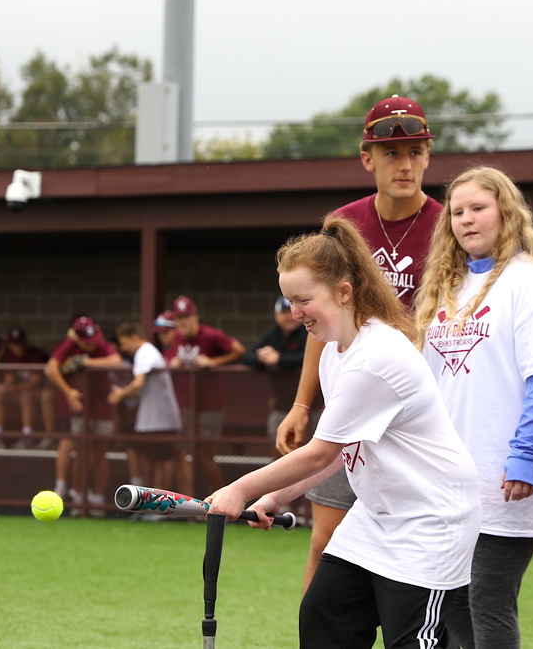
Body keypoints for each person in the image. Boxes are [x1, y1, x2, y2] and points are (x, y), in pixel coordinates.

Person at [207, 216, 480, 649]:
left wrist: (238, 489)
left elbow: (319, 452)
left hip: (431, 518)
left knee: (411, 641)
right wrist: (277, 496)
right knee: (324, 619)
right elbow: (342, 448)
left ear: (344, 291)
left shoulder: (375, 357)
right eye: (288, 302)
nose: (294, 314)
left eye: (302, 300)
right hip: (378, 514)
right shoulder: (337, 352)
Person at [275, 94, 444, 595]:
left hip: (420, 407)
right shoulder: (343, 225)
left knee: (420, 538)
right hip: (351, 399)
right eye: (392, 153)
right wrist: (302, 403)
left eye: (415, 152)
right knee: (326, 536)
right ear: (367, 158)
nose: (405, 164)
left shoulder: (448, 224)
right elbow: (320, 320)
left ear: (429, 155)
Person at [414, 166, 533, 649]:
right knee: (451, 600)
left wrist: (524, 455)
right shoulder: (444, 288)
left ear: (506, 213)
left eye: (478, 208)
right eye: (457, 212)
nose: (466, 219)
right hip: (449, 477)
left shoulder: (531, 284)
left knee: (487, 597)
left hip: (506, 477)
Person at [164, 295, 245, 496]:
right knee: (181, 451)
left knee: (204, 454)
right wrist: (171, 362)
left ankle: (219, 502)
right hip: (185, 404)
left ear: (195, 317)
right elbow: (166, 357)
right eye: (179, 317)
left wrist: (214, 362)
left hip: (210, 404)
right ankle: (186, 503)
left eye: (186, 316)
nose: (182, 321)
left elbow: (239, 350)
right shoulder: (175, 337)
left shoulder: (211, 335)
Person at [46, 316, 123, 509]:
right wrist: (68, 391)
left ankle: (97, 498)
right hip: (80, 407)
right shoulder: (69, 344)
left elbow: (116, 360)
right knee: (80, 451)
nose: (90, 344)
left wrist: (86, 362)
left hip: (101, 406)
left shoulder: (101, 344)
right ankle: (78, 495)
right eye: (86, 342)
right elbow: (50, 369)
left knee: (100, 452)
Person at [109, 322, 182, 491]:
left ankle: (158, 505)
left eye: (124, 343)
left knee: (163, 460)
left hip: (161, 419)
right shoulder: (146, 352)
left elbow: (138, 383)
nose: (123, 348)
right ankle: (145, 499)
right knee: (152, 458)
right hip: (152, 420)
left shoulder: (145, 352)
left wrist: (121, 394)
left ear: (134, 337)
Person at [242, 296, 309, 448]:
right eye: (283, 312)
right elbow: (247, 356)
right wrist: (262, 358)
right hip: (281, 404)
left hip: (311, 404)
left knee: (309, 446)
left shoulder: (308, 331)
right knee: (278, 444)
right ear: (276, 315)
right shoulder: (272, 334)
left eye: (291, 311)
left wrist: (279, 359)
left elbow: (309, 359)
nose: (289, 317)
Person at [0, 327, 51, 449]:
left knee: (26, 395)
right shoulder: (10, 357)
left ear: (24, 342)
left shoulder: (36, 355)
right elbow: (9, 379)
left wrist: (14, 388)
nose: (17, 347)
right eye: (14, 344)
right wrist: (5, 387)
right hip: (19, 393)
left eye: (19, 343)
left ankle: (27, 436)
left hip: (40, 394)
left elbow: (35, 382)